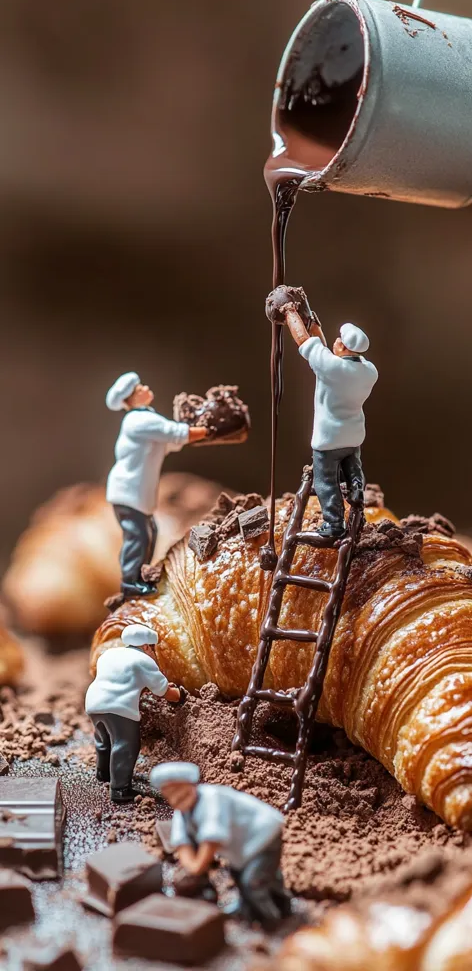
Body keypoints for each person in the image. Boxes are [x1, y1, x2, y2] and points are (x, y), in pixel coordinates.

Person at [105, 372, 208, 598]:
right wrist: (209, 431)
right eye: (139, 388)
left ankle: (140, 575)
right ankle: (130, 582)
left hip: (137, 493)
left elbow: (169, 442)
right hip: (127, 492)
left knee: (151, 532)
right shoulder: (139, 421)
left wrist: (192, 435)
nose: (145, 388)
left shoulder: (146, 418)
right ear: (131, 399)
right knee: (138, 536)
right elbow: (173, 432)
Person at [150, 761, 292, 924]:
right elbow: (182, 842)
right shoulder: (182, 813)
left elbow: (212, 839)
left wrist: (197, 867)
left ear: (191, 785)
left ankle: (270, 919)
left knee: (253, 882)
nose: (176, 799)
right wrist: (190, 867)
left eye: (180, 792)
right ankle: (249, 907)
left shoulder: (212, 799)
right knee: (241, 874)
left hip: (263, 834)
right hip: (241, 847)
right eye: (170, 796)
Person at [283, 301, 378, 540]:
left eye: (338, 340)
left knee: (326, 483)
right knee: (352, 465)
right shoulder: (369, 371)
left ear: (344, 347)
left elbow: (305, 343)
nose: (334, 341)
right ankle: (357, 488)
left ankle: (333, 524)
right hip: (353, 434)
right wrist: (313, 322)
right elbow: (323, 350)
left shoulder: (332, 368)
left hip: (328, 439)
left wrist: (289, 312)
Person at [85, 624, 181, 803]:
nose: (154, 653)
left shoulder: (109, 654)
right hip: (118, 707)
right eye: (153, 649)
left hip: (93, 702)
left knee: (104, 741)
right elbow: (163, 692)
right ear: (146, 647)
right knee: (125, 745)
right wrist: (180, 695)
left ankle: (103, 773)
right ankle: (120, 789)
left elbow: (122, 679)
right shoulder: (143, 660)